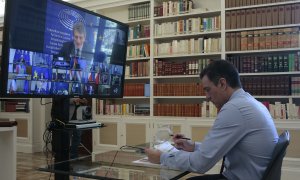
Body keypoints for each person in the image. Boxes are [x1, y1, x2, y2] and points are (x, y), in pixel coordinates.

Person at [145, 60, 279, 180]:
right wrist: (193, 146)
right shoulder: (248, 102)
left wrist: (161, 158)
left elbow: (200, 164)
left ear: (222, 83)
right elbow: (221, 148)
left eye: (208, 90)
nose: (207, 97)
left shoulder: (234, 109)